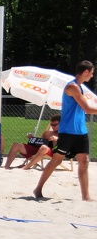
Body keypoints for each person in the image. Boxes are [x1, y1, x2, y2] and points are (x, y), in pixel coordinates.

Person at [34, 61, 97, 200]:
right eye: (91, 72)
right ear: (85, 72)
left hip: (81, 131)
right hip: (68, 131)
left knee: (84, 161)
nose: (92, 75)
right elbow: (87, 109)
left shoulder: (79, 87)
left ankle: (86, 196)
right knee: (56, 160)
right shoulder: (72, 86)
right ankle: (38, 188)